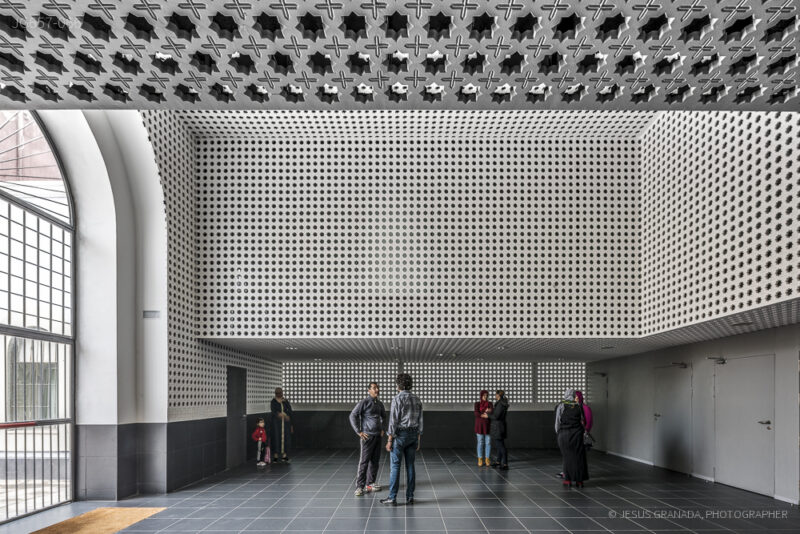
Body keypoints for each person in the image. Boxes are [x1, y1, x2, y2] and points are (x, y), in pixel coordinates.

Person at [380, 373, 423, 506]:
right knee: (410, 466)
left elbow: (393, 421)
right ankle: (410, 496)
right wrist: (418, 438)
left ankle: (392, 498)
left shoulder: (397, 399)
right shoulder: (417, 399)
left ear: (398, 385)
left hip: (400, 435)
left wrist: (389, 439)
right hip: (413, 435)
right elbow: (420, 420)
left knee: (395, 466)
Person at [349, 382, 387, 496]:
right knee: (364, 462)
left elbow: (384, 417)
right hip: (367, 437)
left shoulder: (380, 404)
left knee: (375, 461)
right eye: (374, 388)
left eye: (377, 388)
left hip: (377, 436)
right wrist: (358, 431)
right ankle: (359, 487)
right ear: (369, 390)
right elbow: (352, 415)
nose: (377, 390)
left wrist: (382, 429)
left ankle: (370, 483)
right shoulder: (364, 402)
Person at [555, 388, 589, 487]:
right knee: (578, 457)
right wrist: (584, 434)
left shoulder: (561, 405)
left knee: (567, 457)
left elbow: (557, 422)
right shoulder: (578, 406)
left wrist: (558, 433)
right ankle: (579, 480)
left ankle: (568, 480)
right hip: (577, 434)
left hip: (564, 434)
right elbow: (583, 421)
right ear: (574, 395)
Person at [270, 387, 294, 463]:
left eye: (280, 393)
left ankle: (284, 455)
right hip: (276, 424)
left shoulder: (285, 401)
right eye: (277, 393)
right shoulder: (273, 401)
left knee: (286, 438)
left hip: (285, 424)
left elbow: (290, 410)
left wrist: (286, 415)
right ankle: (276, 456)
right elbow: (273, 411)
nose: (279, 394)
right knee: (276, 438)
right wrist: (279, 414)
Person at [488, 390, 509, 470]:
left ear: (498, 395)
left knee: (501, 446)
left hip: (498, 427)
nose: (495, 395)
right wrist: (491, 411)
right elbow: (497, 414)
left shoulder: (500, 404)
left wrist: (488, 415)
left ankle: (505, 464)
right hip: (500, 426)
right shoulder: (501, 403)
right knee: (499, 445)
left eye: (496, 394)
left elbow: (496, 417)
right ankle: (498, 461)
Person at [474, 390, 492, 466]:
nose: (485, 396)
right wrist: (484, 415)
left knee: (488, 442)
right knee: (480, 442)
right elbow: (476, 413)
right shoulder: (477, 404)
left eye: (486, 395)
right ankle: (480, 459)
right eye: (484, 395)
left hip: (488, 425)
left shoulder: (490, 403)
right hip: (479, 426)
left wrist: (488, 412)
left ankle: (487, 459)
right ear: (481, 396)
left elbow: (492, 412)